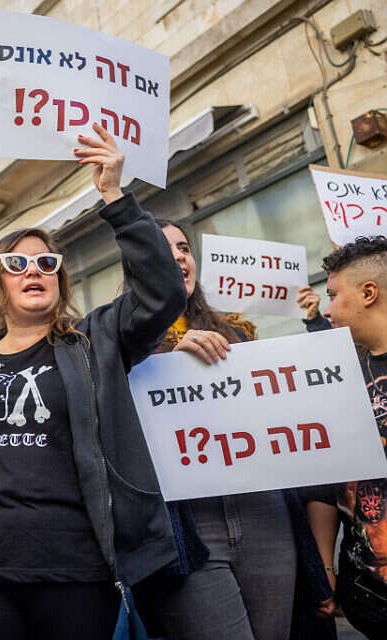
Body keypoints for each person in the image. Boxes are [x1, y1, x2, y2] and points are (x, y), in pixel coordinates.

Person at [0, 122, 186, 640]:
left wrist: (115, 196)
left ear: (59, 280)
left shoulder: (94, 341)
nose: (34, 270)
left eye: (46, 263)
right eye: (17, 263)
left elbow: (163, 291)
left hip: (73, 568)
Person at [136, 220, 333, 640]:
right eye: (164, 249)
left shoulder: (237, 332)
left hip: (264, 514)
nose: (179, 257)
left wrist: (316, 326)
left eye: (184, 248)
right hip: (190, 526)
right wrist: (169, 362)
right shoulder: (122, 342)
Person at [298, 236, 387, 639]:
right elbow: (324, 482)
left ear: (369, 293)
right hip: (370, 599)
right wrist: (326, 567)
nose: (328, 309)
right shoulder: (336, 376)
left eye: (333, 295)